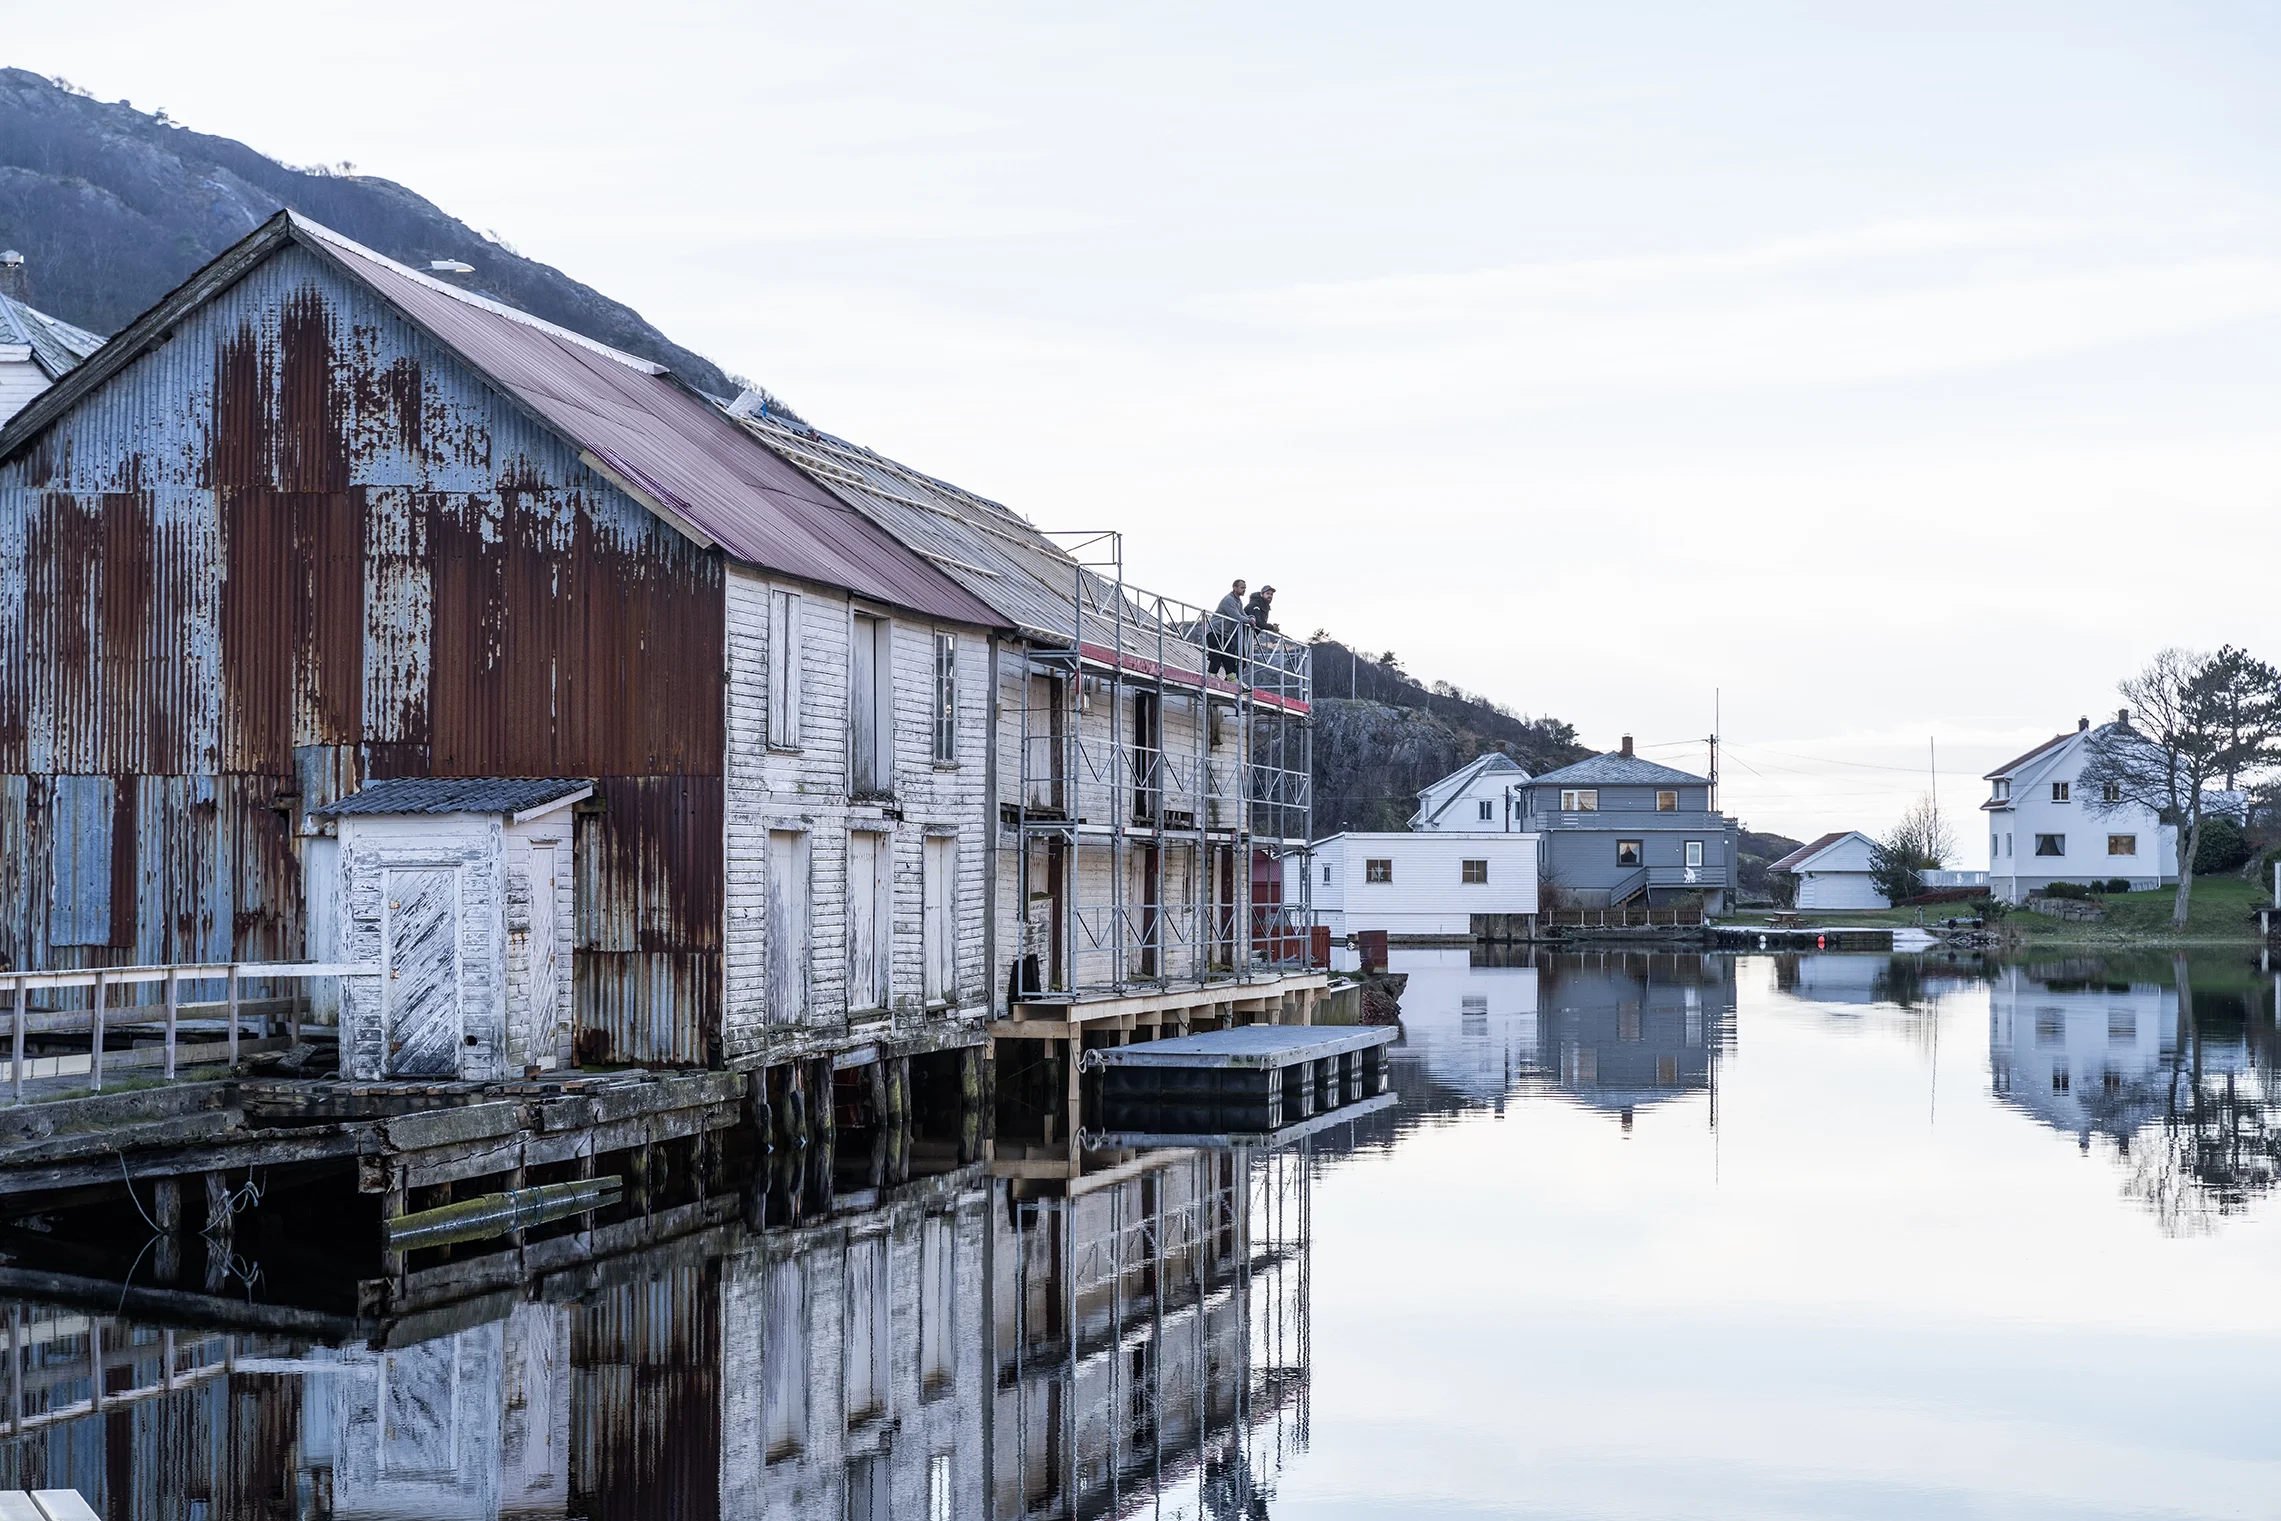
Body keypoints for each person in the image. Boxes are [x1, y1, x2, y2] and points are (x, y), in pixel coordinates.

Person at [1208, 579, 1246, 677]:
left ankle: (1232, 680)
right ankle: (1210, 679)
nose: (1244, 590)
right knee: (1216, 655)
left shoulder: (1238, 602)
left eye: (1245, 588)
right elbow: (1236, 616)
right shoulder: (1229, 600)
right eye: (1242, 588)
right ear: (1234, 588)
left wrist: (1251, 618)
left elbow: (1242, 614)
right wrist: (1249, 621)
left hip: (1224, 634)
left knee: (1229, 657)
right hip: (1215, 631)